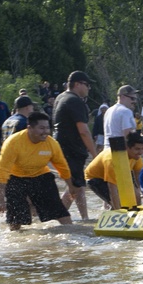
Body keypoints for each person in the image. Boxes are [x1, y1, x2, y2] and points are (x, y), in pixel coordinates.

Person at [0, 112, 73, 230]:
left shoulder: (51, 143)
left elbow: (62, 166)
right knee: (16, 219)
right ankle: (17, 242)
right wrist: (0, 199)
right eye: (41, 128)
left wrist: (71, 187)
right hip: (15, 178)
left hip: (40, 175)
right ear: (29, 128)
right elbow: (2, 170)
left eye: (47, 128)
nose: (45, 132)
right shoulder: (13, 143)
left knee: (59, 210)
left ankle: (72, 232)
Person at [52, 70, 98, 220]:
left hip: (61, 148)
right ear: (77, 84)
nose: (88, 88)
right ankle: (57, 217)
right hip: (72, 149)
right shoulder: (75, 101)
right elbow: (84, 131)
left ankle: (85, 218)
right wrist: (95, 154)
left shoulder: (60, 97)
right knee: (75, 187)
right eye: (87, 85)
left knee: (79, 185)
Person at [85, 132, 143, 209]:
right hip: (95, 178)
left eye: (142, 149)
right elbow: (112, 189)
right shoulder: (112, 160)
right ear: (127, 148)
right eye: (137, 149)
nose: (141, 152)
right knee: (119, 202)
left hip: (121, 173)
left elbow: (139, 179)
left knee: (136, 196)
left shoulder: (136, 156)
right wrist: (119, 211)